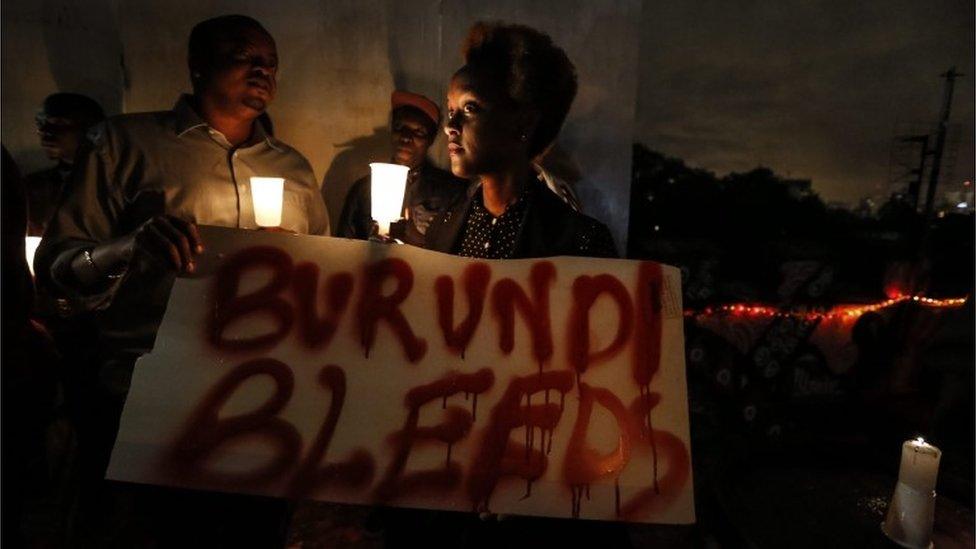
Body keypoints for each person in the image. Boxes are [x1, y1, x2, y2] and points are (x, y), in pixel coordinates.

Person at [34, 14, 328, 547]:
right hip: (145, 391)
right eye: (244, 55)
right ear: (197, 66)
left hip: (256, 398)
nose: (262, 69)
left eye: (271, 62)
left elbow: (321, 284)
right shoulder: (123, 145)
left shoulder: (294, 168)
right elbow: (58, 268)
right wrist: (131, 246)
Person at [425, 22, 617, 259]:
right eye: (451, 110)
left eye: (470, 108)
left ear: (524, 123)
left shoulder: (580, 242)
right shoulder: (440, 230)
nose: (449, 127)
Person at [336, 90, 467, 246]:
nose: (406, 137)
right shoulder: (362, 191)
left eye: (418, 132)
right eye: (400, 127)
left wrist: (416, 239)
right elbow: (342, 247)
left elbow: (455, 256)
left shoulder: (451, 192)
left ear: (430, 140)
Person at [26, 93, 105, 236]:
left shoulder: (112, 186)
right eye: (40, 123)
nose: (45, 132)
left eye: (59, 123)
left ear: (91, 131)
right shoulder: (32, 188)